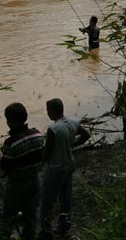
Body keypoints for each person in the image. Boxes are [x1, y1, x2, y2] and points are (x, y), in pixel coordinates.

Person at [40, 98, 91, 239]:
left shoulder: (53, 129)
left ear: (52, 111)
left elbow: (46, 154)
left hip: (56, 167)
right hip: (69, 165)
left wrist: (40, 158)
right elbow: (86, 135)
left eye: (47, 110)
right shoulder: (72, 122)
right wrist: (72, 145)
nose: (46, 112)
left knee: (46, 200)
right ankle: (64, 225)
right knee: (66, 197)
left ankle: (46, 230)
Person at [0, 102, 45, 240]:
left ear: (9, 122)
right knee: (31, 214)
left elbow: (5, 167)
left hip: (17, 184)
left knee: (8, 215)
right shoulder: (38, 135)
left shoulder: (10, 143)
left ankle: (4, 236)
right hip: (35, 179)